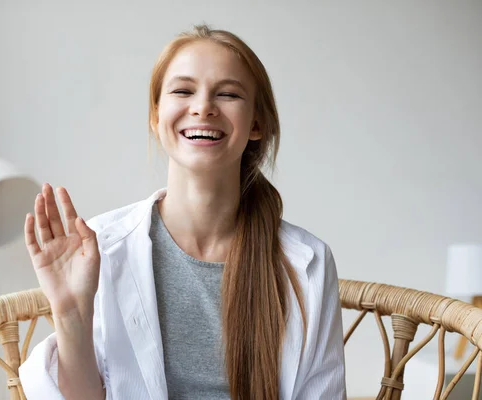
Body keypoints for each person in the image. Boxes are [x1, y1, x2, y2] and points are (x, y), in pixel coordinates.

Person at [18, 24, 346, 400]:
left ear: (257, 123)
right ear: (156, 117)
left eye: (227, 94)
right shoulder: (99, 248)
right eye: (182, 90)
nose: (203, 107)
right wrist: (70, 315)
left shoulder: (309, 263)